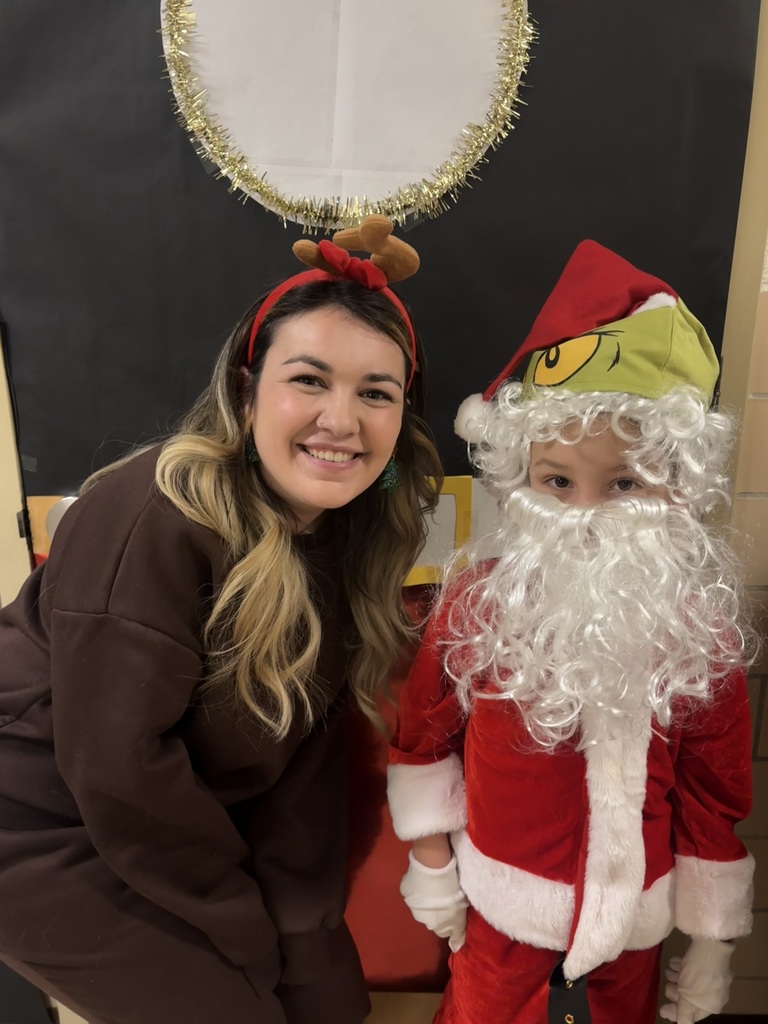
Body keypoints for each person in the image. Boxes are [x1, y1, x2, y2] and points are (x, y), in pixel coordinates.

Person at [0, 214, 443, 1024]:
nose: (342, 421)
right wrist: (245, 931)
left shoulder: (342, 541)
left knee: (328, 1003)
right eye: (309, 380)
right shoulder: (152, 518)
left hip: (174, 831)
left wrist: (303, 944)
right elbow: (119, 768)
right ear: (246, 393)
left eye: (375, 393)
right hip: (37, 824)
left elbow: (301, 779)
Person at [387, 240, 755, 1024]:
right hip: (497, 911)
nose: (585, 514)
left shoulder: (697, 633)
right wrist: (431, 865)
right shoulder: (477, 606)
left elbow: (711, 792)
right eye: (558, 482)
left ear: (677, 490)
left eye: (622, 484)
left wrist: (713, 938)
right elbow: (424, 740)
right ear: (522, 481)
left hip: (637, 921)